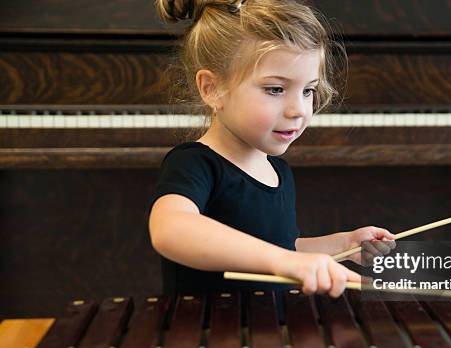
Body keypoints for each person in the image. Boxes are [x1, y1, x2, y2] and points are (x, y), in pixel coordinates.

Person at [148, 0, 395, 300]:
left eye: (308, 91)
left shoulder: (278, 171)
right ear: (212, 89)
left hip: (264, 335)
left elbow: (279, 247)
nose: (298, 110)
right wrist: (285, 262)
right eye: (276, 89)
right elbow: (170, 229)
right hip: (207, 337)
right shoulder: (195, 163)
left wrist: (342, 245)